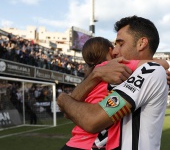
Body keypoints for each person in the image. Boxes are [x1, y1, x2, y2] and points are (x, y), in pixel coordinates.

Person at [58, 15, 169, 150]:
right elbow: (69, 111)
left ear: (141, 43)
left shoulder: (151, 70)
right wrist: (95, 75)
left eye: (120, 44)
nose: (115, 52)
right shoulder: (112, 73)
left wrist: (64, 99)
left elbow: (91, 120)